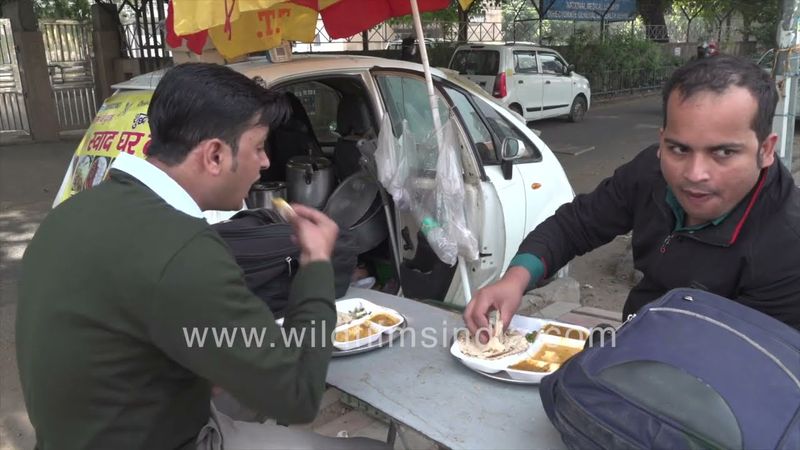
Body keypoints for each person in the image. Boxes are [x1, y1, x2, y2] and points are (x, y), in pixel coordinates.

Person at [16, 63, 388, 449]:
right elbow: (298, 397)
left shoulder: (71, 214)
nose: (264, 163)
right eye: (259, 147)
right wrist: (315, 264)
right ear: (214, 155)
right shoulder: (183, 248)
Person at [465, 55, 800, 336]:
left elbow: (754, 371)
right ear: (663, 139)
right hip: (633, 338)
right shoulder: (650, 172)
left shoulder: (788, 245)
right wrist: (514, 279)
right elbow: (576, 225)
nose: (695, 174)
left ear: (766, 150)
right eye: (679, 148)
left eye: (724, 152)